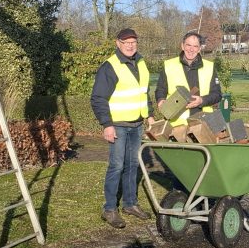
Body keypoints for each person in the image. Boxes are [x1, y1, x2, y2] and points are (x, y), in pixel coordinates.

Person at [90, 27, 152, 229]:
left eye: (133, 41)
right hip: (118, 126)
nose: (130, 45)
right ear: (118, 43)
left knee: (133, 165)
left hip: (137, 125)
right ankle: (109, 209)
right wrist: (106, 124)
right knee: (117, 166)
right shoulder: (110, 66)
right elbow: (98, 98)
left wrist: (149, 114)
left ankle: (130, 204)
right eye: (126, 42)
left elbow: (144, 93)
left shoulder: (141, 63)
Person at [155, 31, 222, 127]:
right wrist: (161, 100)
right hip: (176, 124)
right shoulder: (169, 65)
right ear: (182, 46)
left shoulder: (209, 67)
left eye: (195, 46)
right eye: (188, 45)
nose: (191, 49)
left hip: (204, 124)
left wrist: (202, 100)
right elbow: (160, 90)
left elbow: (217, 95)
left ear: (199, 49)